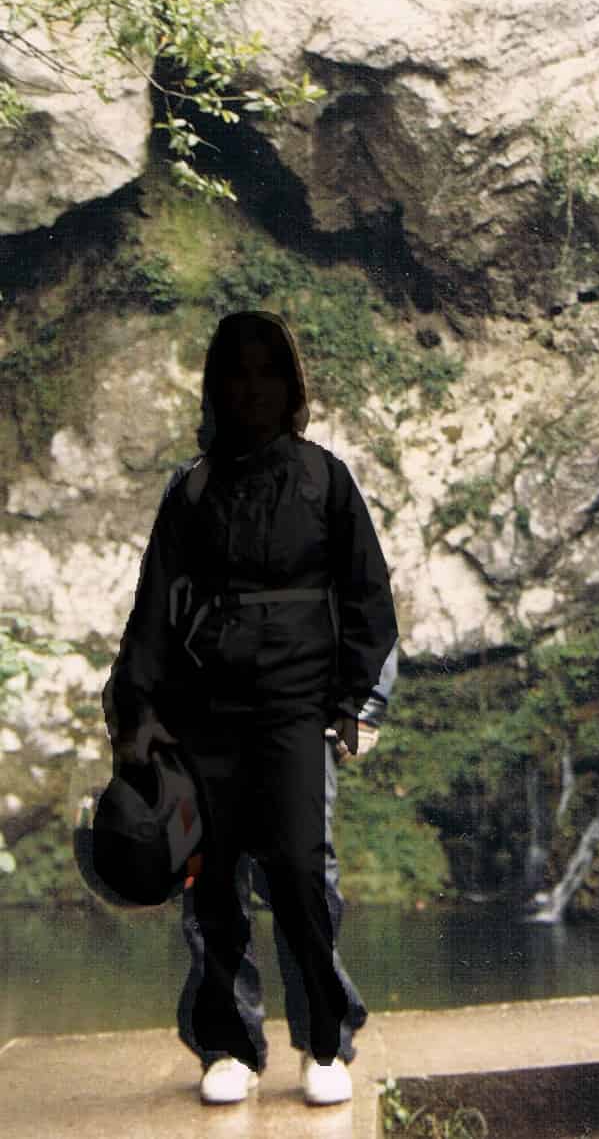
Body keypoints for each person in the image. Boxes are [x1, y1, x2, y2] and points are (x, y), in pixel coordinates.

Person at [103, 310, 398, 1108]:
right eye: (236, 372)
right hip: (203, 716)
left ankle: (324, 1044)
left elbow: (368, 596)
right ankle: (229, 1046)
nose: (251, 387)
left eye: (267, 371)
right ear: (214, 387)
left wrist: (361, 701)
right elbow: (152, 610)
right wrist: (136, 716)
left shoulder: (326, 480)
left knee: (301, 872)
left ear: (290, 386)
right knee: (213, 882)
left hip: (296, 709)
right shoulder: (190, 490)